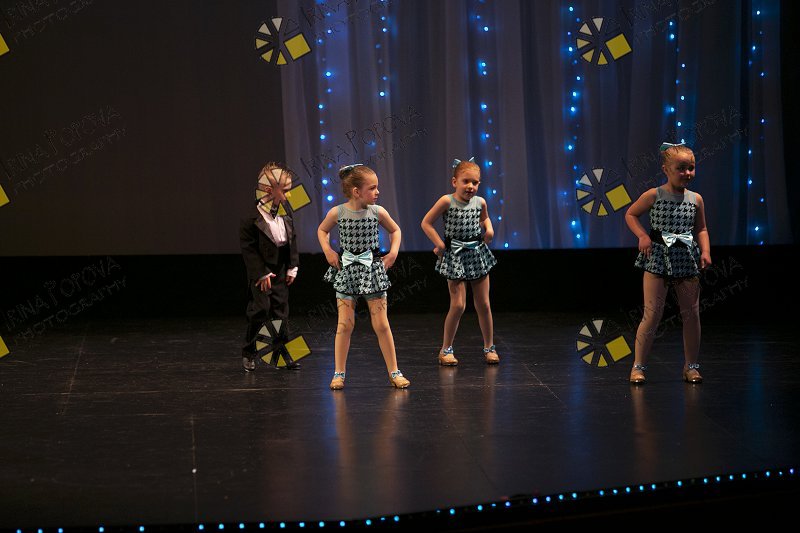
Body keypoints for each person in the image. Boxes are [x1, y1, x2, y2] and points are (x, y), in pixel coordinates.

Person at [317, 163, 410, 390]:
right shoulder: (337, 212)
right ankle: (339, 373)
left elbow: (395, 230)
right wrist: (328, 250)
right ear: (356, 191)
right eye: (372, 188)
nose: (377, 192)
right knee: (344, 325)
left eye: (377, 187)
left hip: (372, 271)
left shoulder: (378, 212)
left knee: (382, 324)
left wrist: (393, 253)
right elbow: (322, 230)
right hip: (347, 270)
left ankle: (394, 372)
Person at [625, 142, 712, 384]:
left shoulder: (696, 199)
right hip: (658, 258)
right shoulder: (654, 195)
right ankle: (638, 366)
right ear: (666, 169)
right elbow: (630, 214)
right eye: (680, 168)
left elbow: (701, 228)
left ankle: (691, 366)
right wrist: (643, 236)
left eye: (691, 168)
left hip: (686, 258)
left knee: (691, 314)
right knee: (652, 314)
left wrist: (705, 251)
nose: (687, 173)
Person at [420, 157, 498, 366]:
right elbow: (426, 222)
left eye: (475, 182)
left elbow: (484, 218)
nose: (470, 186)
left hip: (476, 253)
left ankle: (489, 347)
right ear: (455, 182)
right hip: (455, 255)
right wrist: (439, 243)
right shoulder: (446, 201)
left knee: (484, 304)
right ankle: (446, 349)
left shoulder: (480, 202)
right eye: (466, 181)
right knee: (458, 305)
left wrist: (489, 229)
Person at [240, 162, 300, 371]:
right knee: (260, 310)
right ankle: (249, 352)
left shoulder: (286, 211)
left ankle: (282, 355)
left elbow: (291, 239)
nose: (289, 195)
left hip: (281, 266)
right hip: (262, 270)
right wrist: (261, 273)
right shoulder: (250, 217)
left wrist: (293, 266)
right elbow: (249, 249)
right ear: (268, 190)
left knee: (281, 312)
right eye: (285, 190)